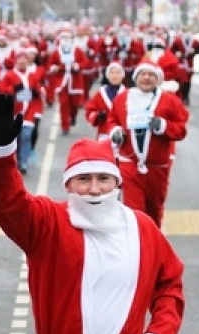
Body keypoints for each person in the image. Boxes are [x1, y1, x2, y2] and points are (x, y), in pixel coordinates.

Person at [0, 93, 186, 334]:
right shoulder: (48, 223)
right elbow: (7, 202)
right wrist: (0, 153)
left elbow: (169, 283)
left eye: (103, 179)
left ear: (117, 184)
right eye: (83, 179)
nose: (94, 189)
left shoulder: (142, 228)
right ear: (68, 185)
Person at [107, 61, 189, 228]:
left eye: (151, 75)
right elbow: (112, 120)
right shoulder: (122, 99)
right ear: (136, 77)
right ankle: (137, 242)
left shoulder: (170, 101)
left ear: (157, 79)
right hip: (129, 165)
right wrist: (115, 131)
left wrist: (163, 126)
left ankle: (153, 240)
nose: (146, 78)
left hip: (157, 167)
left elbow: (181, 129)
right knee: (134, 212)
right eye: (142, 74)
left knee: (154, 212)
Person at [0, 48, 45, 174]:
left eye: (24, 60)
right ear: (16, 61)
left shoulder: (32, 75)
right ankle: (15, 160)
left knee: (26, 136)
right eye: (20, 59)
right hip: (13, 111)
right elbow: (1, 90)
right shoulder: (9, 75)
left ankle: (23, 161)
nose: (22, 62)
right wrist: (13, 89)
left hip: (29, 110)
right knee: (15, 137)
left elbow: (39, 88)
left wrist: (37, 92)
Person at [46, 29, 90, 136]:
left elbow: (85, 62)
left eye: (67, 37)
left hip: (75, 80)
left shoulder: (77, 50)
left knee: (75, 103)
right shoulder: (56, 51)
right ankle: (65, 126)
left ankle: (73, 116)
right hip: (61, 81)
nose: (65, 40)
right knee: (64, 103)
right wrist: (54, 68)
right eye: (63, 38)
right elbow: (50, 64)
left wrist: (77, 66)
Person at [84, 62, 126, 140]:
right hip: (104, 133)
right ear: (108, 76)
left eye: (117, 73)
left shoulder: (127, 94)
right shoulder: (100, 93)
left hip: (123, 134)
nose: (115, 75)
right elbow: (89, 111)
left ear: (122, 76)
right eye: (112, 73)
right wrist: (97, 116)